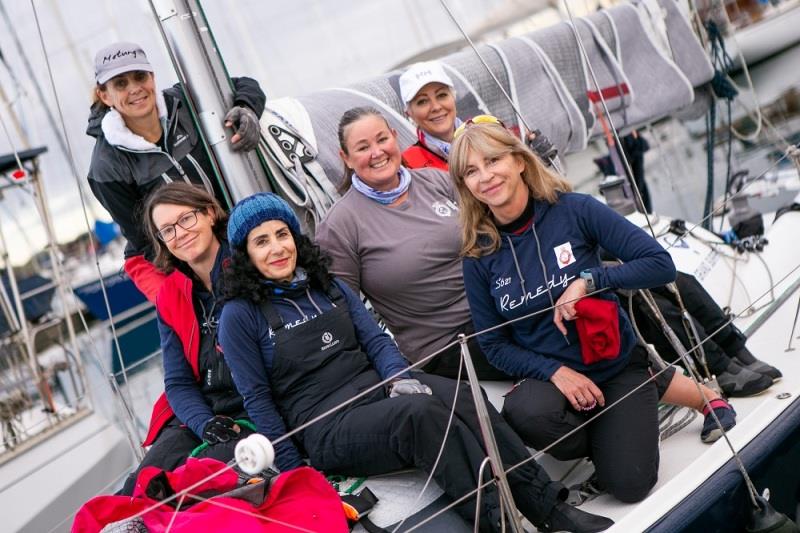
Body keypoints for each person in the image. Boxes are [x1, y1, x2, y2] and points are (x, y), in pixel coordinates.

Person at [218, 192, 614, 532]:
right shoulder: (240, 316)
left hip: (377, 389)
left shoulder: (327, 284)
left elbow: (375, 340)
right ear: (246, 254)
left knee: (464, 396)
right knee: (421, 415)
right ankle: (500, 523)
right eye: (262, 241)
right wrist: (297, 477)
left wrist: (397, 378)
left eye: (282, 235)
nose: (277, 248)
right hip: (327, 424)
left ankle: (551, 508)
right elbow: (258, 399)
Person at [451, 118, 694, 503]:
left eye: (493, 160)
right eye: (471, 171)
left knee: (630, 485)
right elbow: (494, 345)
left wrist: (589, 281)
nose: (486, 176)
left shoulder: (573, 210)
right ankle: (617, 431)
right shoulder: (478, 254)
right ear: (465, 185)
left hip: (615, 366)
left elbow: (659, 263)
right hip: (553, 381)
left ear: (518, 160)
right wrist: (555, 372)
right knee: (526, 413)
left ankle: (644, 395)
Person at [86, 41, 266, 303]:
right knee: (199, 314)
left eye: (140, 77)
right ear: (104, 96)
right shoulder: (105, 167)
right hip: (168, 252)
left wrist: (247, 110)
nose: (135, 89)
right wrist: (206, 279)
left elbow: (243, 85)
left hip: (229, 224)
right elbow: (146, 240)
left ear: (152, 77)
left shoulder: (184, 100)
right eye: (121, 84)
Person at [118, 182, 252, 496]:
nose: (179, 233)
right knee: (137, 488)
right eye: (167, 230)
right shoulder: (171, 295)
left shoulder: (249, 267)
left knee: (181, 488)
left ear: (208, 214)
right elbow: (178, 382)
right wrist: (204, 423)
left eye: (186, 219)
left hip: (252, 411)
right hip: (201, 414)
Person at [399, 60, 557, 171]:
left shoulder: (491, 132)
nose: (436, 107)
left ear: (453, 97)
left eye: (441, 95)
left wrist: (533, 161)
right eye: (422, 102)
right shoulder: (408, 164)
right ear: (409, 113)